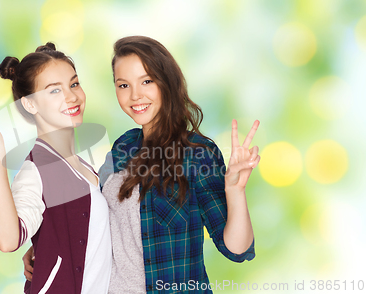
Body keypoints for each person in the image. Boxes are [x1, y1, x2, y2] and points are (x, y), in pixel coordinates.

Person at [24, 36, 260, 293]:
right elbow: (92, 216)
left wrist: (235, 192)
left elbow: (237, 249)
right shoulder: (123, 147)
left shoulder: (197, 154)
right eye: (123, 85)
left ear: (166, 82)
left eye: (147, 81)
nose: (135, 95)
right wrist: (44, 244)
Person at [0, 43, 112, 294]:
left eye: (73, 84)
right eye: (54, 91)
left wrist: (44, 246)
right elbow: (8, 240)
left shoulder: (85, 167)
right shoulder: (37, 169)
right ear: (30, 105)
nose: (71, 96)